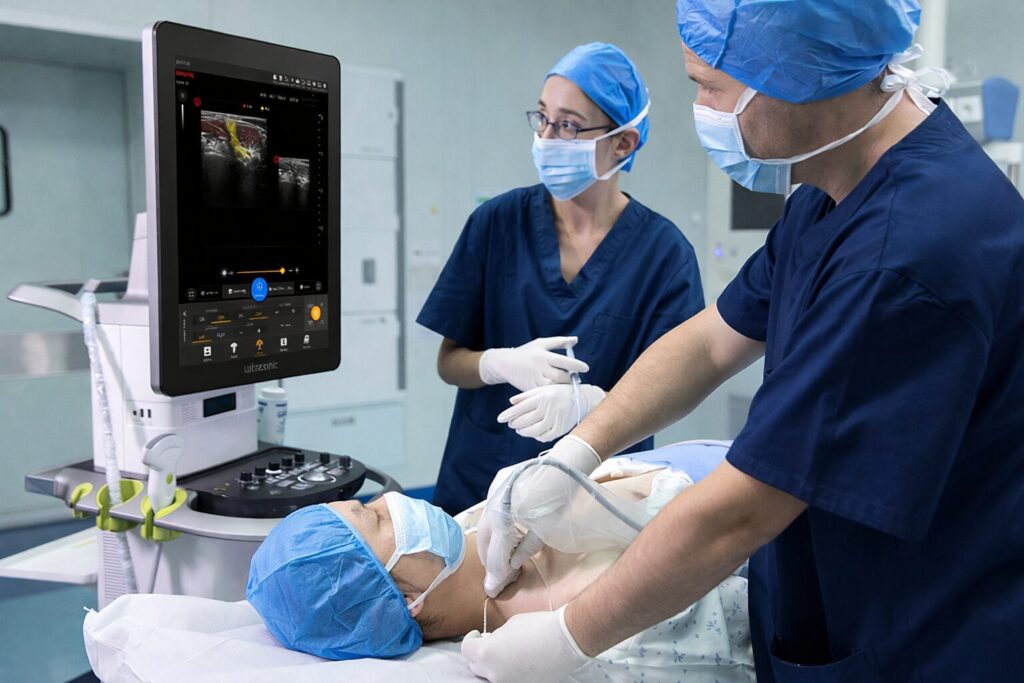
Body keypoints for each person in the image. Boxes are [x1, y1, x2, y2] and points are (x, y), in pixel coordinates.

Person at [463, 1, 1024, 682]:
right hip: (841, 603)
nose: (701, 109)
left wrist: (568, 638)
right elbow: (710, 341)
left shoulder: (905, 251)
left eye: (710, 86)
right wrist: (576, 452)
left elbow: (745, 506)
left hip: (928, 635)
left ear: (800, 74)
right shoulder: (832, 189)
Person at [417, 42, 704, 516]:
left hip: (596, 498)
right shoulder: (497, 223)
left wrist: (596, 404)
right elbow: (449, 363)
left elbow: (677, 389)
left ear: (623, 143)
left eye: (568, 125)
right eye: (543, 118)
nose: (547, 137)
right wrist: (497, 364)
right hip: (478, 488)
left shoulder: (664, 255)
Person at [246, 443, 755, 681]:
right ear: (407, 600)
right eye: (375, 518)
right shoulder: (566, 639)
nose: (393, 502)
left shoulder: (483, 522)